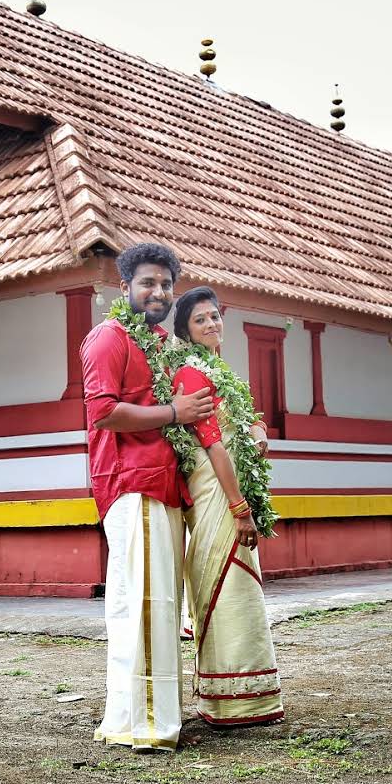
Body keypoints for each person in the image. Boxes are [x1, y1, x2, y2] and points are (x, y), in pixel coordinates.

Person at [80, 243, 214, 751]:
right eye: (147, 283)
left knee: (149, 604)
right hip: (131, 483)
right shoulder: (107, 338)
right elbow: (104, 413)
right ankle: (149, 724)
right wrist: (175, 413)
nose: (158, 293)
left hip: (164, 485)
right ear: (125, 289)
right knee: (144, 604)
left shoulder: (157, 343)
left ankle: (134, 718)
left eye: (164, 285)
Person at [171, 286, 284, 727]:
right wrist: (239, 508)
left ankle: (248, 696)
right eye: (201, 319)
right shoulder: (192, 374)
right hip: (217, 494)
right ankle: (230, 698)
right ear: (185, 329)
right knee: (227, 581)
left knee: (239, 587)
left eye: (215, 316)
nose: (212, 324)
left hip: (229, 487)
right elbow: (213, 445)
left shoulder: (219, 372)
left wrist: (256, 432)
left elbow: (235, 431)